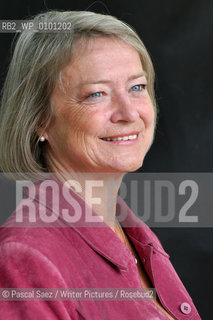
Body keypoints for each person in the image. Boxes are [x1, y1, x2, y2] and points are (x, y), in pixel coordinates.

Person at [0, 10, 201, 319]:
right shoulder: (25, 255)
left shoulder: (134, 235)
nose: (129, 113)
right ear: (39, 119)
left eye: (137, 87)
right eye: (97, 94)